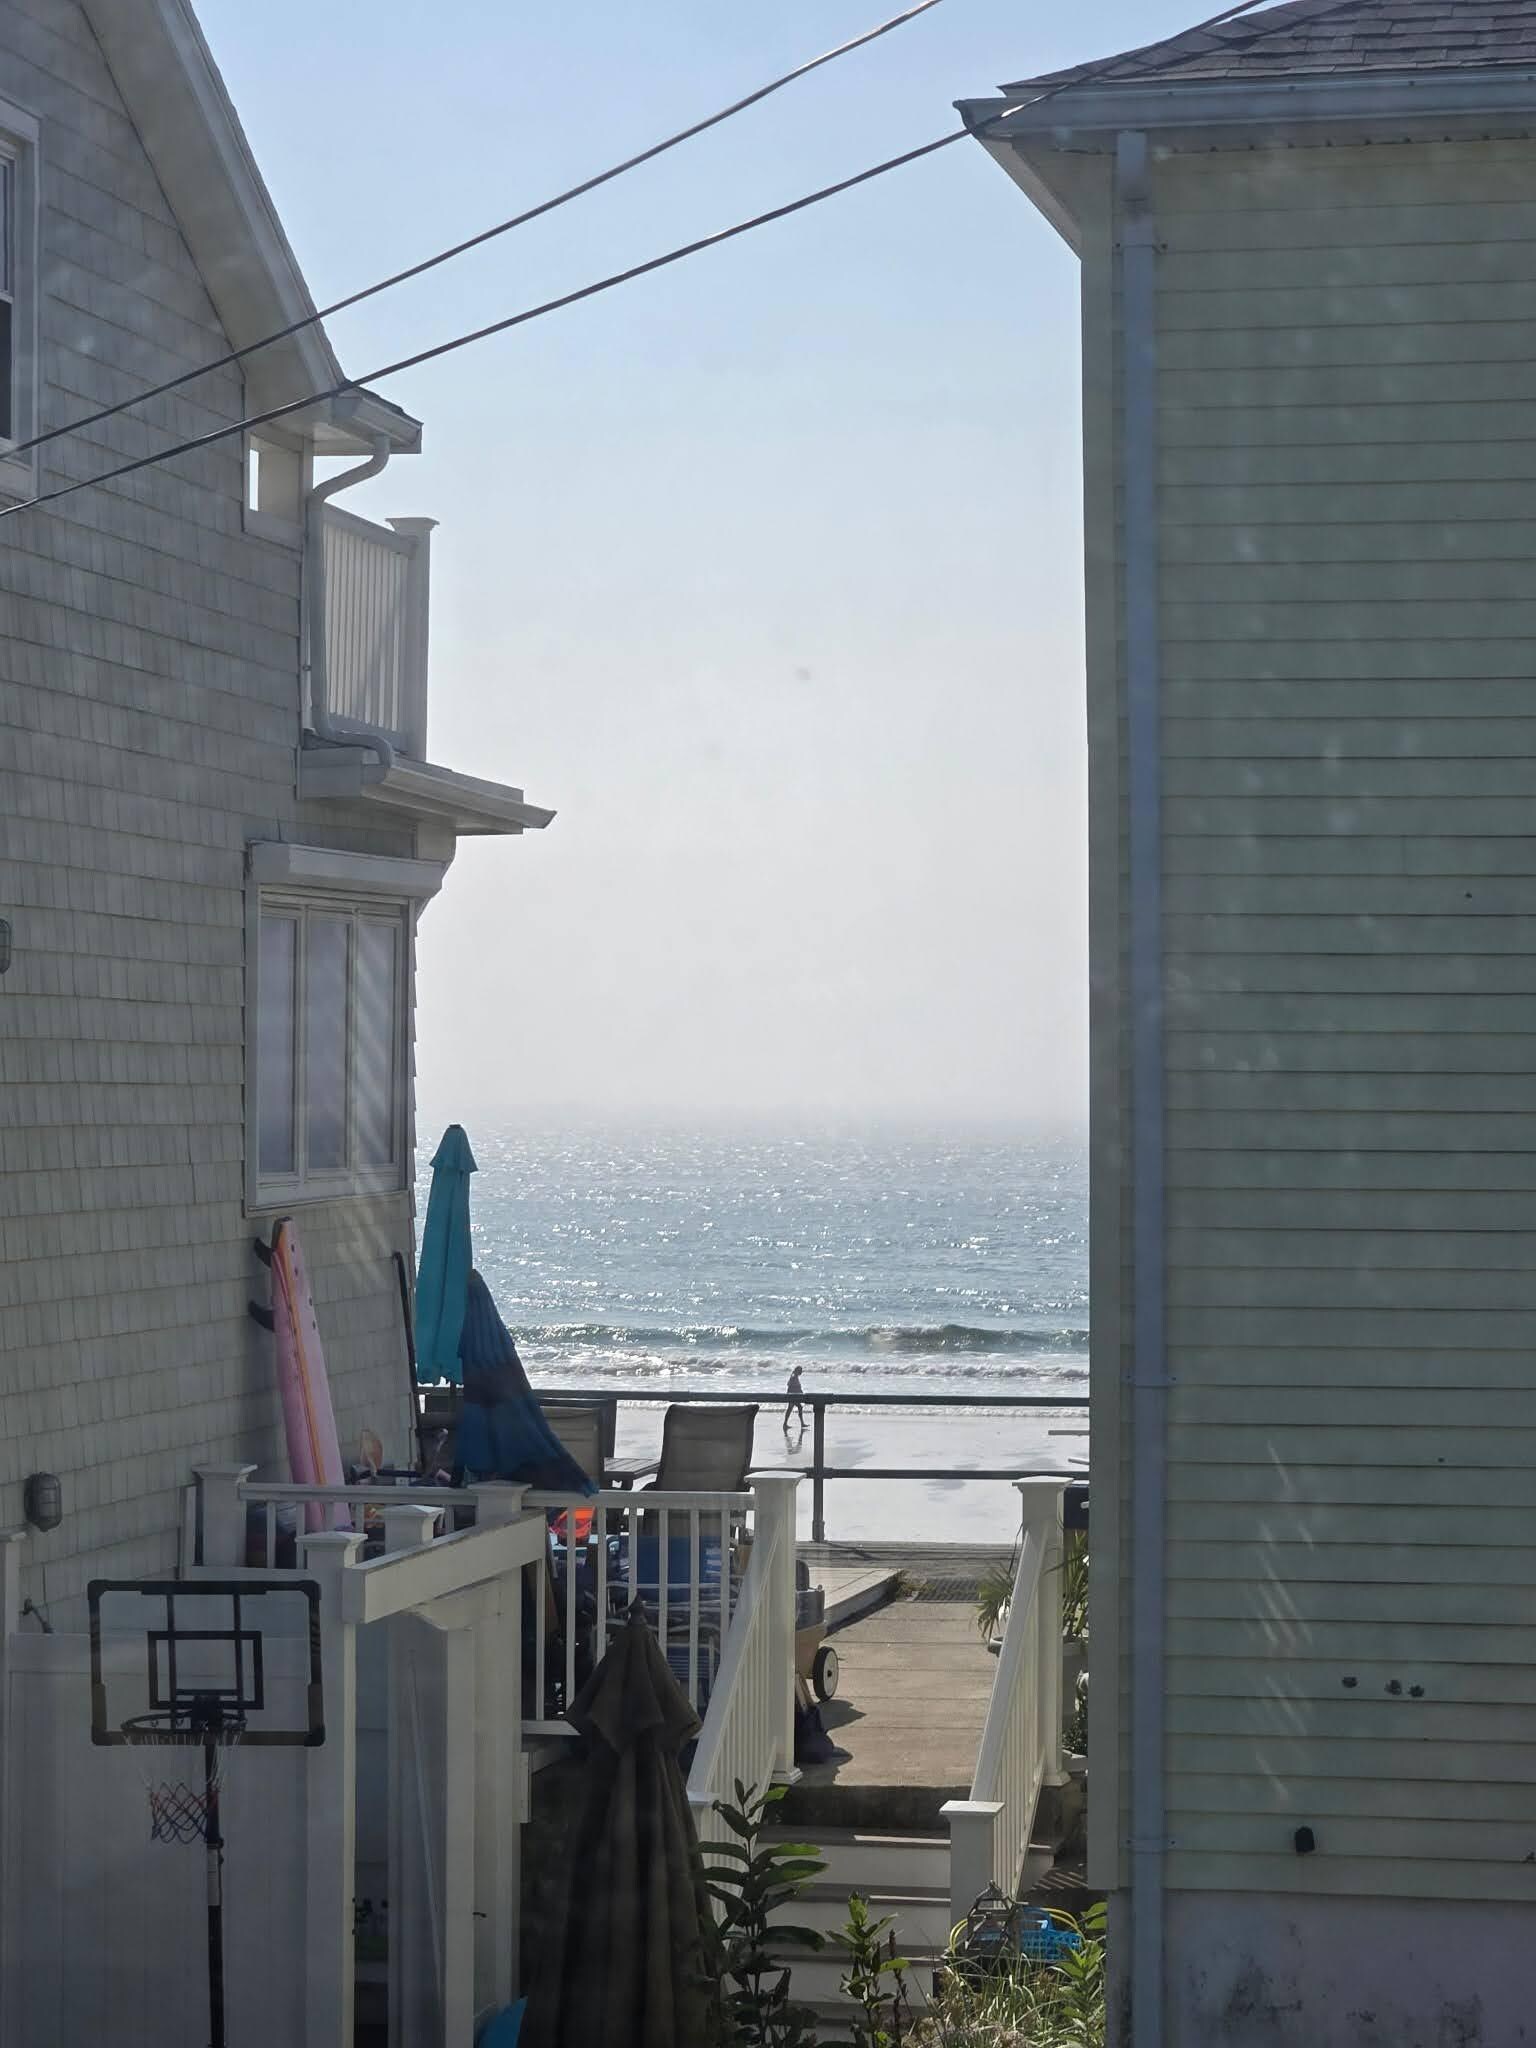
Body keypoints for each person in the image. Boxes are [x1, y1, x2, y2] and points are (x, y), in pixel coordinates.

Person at [783, 1365, 806, 1431]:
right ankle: (802, 1423)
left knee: (790, 1409)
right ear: (797, 1371)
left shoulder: (794, 1376)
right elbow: (789, 1385)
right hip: (792, 1396)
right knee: (799, 1407)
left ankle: (785, 1424)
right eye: (800, 1371)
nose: (801, 1372)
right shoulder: (793, 1377)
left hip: (793, 1395)